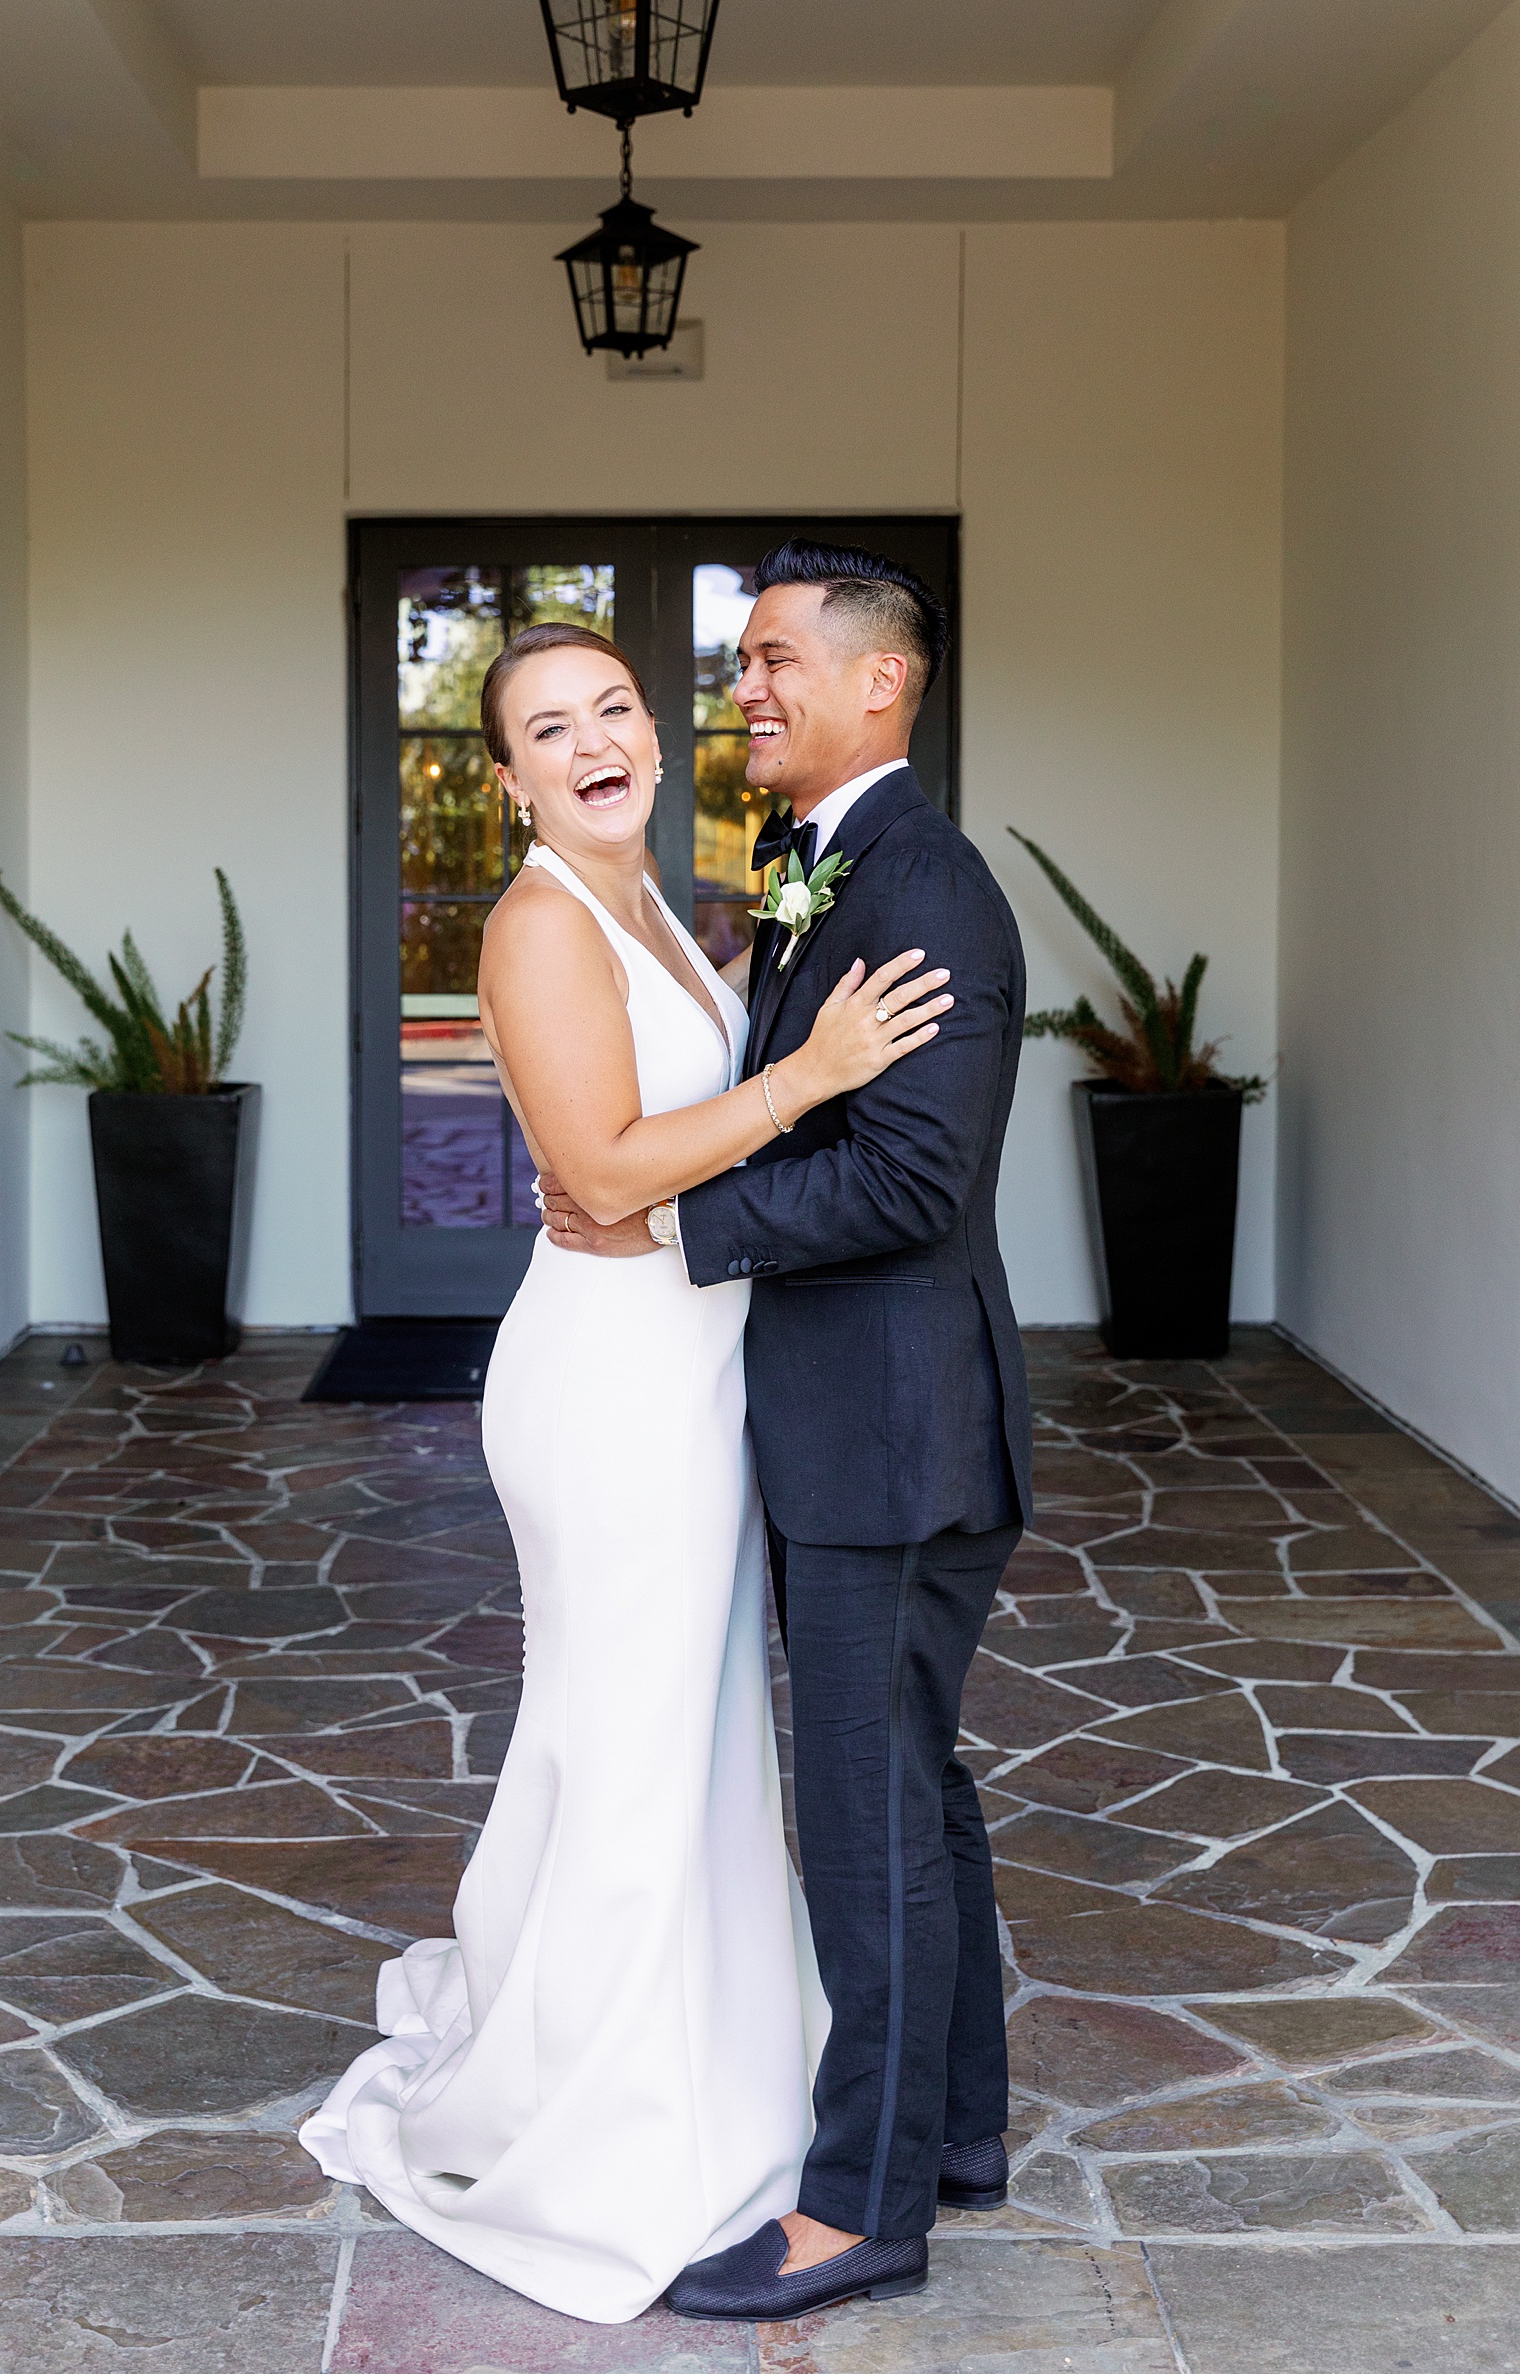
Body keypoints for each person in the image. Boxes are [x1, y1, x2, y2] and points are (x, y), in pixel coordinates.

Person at [298, 615, 951, 2324]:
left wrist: (714, 1137)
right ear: (502, 777)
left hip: (692, 1364)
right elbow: (592, 1160)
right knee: (641, 1736)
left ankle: (718, 2062)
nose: (593, 741)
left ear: (652, 736)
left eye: (614, 709)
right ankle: (613, 2121)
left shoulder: (664, 901)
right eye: (546, 727)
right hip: (607, 1390)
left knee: (684, 1734)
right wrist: (809, 1074)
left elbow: (645, 1159)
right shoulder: (533, 921)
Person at [540, 539, 1031, 2323]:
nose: (740, 686)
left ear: (879, 681)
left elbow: (910, 1175)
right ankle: (953, 2130)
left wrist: (674, 1226)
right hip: (868, 1420)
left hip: (889, 1434)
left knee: (871, 1815)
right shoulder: (834, 865)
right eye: (739, 662)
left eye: (769, 659)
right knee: (917, 1793)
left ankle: (859, 2210)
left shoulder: (927, 890)